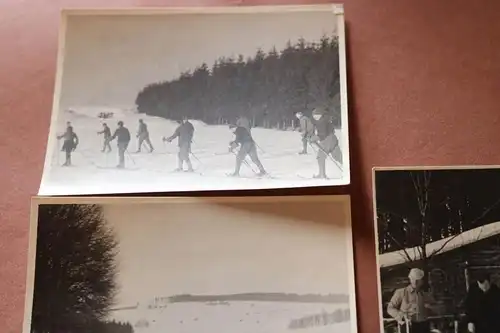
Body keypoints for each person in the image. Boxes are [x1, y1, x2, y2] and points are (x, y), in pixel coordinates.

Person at [387, 268, 439, 333]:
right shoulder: (401, 292)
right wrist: (401, 316)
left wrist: (431, 307)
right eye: (421, 279)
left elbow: (437, 307)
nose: (422, 281)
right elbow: (390, 308)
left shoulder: (424, 294)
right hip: (408, 327)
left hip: (423, 327)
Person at [309, 107, 339, 179]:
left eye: (317, 115)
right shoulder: (325, 120)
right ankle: (349, 170)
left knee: (320, 157)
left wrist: (314, 138)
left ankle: (322, 175)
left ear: (321, 115)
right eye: (314, 115)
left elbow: (322, 134)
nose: (315, 116)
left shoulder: (321, 122)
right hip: (332, 139)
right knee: (338, 156)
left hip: (327, 140)